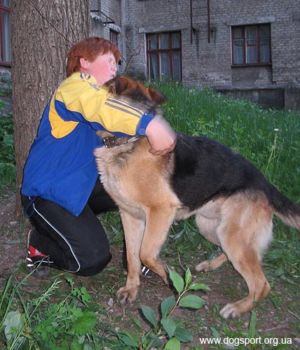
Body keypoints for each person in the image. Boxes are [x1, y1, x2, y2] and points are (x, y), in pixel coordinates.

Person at [21, 37, 176, 276]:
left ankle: (136, 260)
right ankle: (39, 243)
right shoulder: (73, 88)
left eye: (117, 62)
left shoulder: (104, 97)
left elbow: (118, 121)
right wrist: (150, 125)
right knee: (91, 260)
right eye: (109, 59)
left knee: (139, 191)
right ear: (84, 62)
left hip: (81, 187)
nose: (115, 66)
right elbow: (101, 107)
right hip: (47, 193)